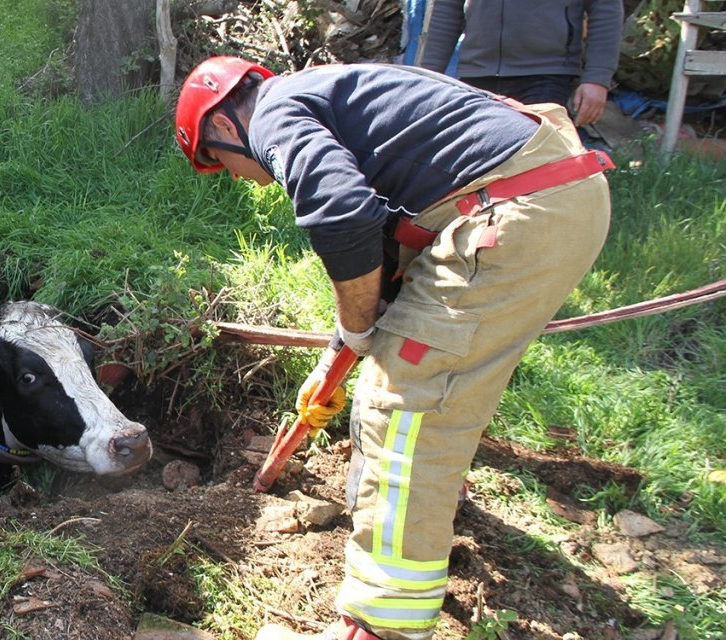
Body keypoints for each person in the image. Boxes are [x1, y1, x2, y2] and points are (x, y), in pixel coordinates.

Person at [174, 57, 613, 640]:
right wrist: (340, 350)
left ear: (226, 127)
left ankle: (382, 620)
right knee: (436, 370)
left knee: (403, 401)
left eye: (218, 162)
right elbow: (388, 258)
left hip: (513, 211)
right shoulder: (337, 94)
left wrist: (358, 331)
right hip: (552, 194)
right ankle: (432, 493)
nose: (235, 176)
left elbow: (342, 213)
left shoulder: (273, 113)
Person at [418, 0, 624, 128]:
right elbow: (447, 9)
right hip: (478, 73)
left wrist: (597, 77)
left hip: (546, 74)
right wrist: (428, 76)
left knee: (535, 168)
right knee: (480, 166)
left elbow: (605, 7)